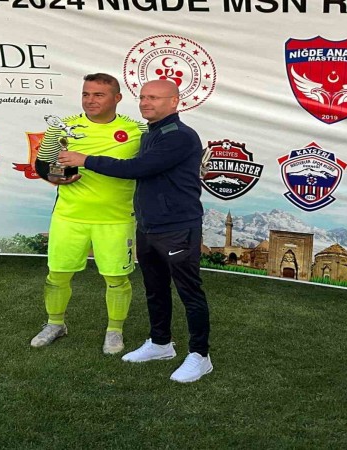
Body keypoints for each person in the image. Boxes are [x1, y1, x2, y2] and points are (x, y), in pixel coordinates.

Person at [58, 79, 212, 383]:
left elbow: (137, 169)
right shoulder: (151, 133)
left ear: (174, 102)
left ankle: (200, 355)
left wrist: (85, 160)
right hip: (148, 225)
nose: (145, 103)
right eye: (142, 97)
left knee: (189, 292)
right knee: (155, 289)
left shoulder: (180, 135)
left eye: (154, 98)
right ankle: (160, 344)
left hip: (178, 227)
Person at [29, 73, 147, 355]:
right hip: (69, 216)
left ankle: (115, 331)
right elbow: (42, 163)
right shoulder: (63, 127)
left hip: (116, 218)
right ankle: (55, 324)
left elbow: (153, 164)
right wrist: (54, 176)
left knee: (116, 279)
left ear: (117, 98)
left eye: (98, 95)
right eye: (86, 94)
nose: (90, 100)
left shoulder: (138, 130)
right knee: (57, 275)